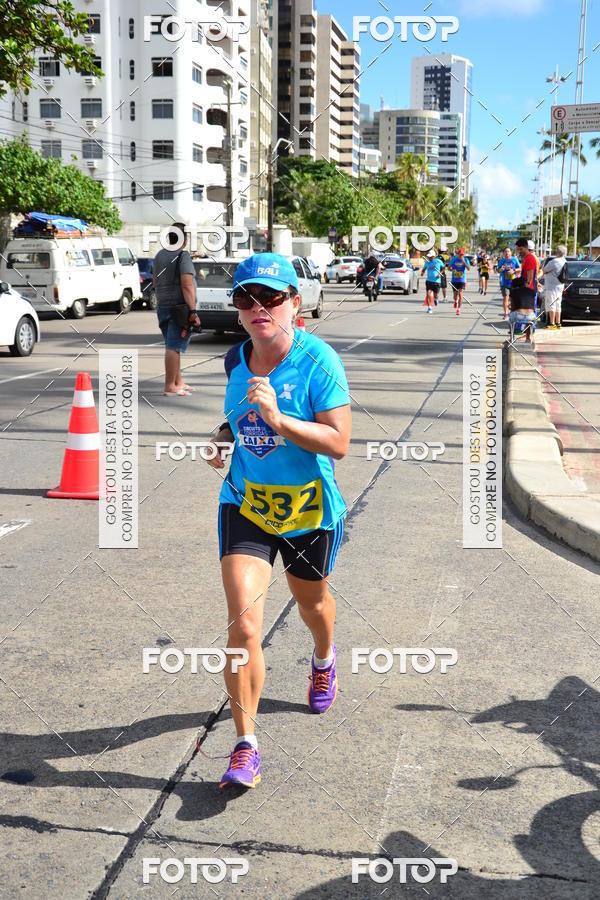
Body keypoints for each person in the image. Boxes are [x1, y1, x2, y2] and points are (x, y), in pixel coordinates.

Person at [206, 252, 352, 790]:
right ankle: (246, 745)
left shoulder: (319, 362)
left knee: (312, 605)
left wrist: (278, 420)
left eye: (271, 298)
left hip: (309, 508)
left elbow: (339, 442)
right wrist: (223, 439)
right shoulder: (234, 358)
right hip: (246, 503)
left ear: (295, 303)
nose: (259, 308)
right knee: (244, 624)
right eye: (247, 298)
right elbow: (235, 417)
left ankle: (324, 657)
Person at [153, 223, 200, 397]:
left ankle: (178, 382)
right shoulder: (182, 255)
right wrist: (193, 311)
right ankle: (170, 386)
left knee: (173, 345)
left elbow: (155, 282)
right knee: (173, 347)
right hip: (179, 308)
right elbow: (187, 284)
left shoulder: (159, 255)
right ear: (184, 239)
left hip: (163, 305)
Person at [510, 238, 538, 343]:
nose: (519, 251)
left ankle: (528, 337)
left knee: (528, 313)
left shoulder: (530, 258)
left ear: (526, 247)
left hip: (528, 291)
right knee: (525, 315)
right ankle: (526, 337)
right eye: (518, 249)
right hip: (525, 290)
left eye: (521, 249)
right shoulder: (526, 258)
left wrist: (523, 290)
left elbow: (529, 278)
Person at [541, 245, 567, 330]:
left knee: (551, 304)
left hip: (552, 287)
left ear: (557, 252)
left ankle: (552, 323)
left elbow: (544, 270)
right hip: (560, 286)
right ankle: (558, 323)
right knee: (558, 305)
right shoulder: (564, 261)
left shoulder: (554, 261)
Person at [497, 247, 521, 321]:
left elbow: (520, 268)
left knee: (513, 300)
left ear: (511, 252)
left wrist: (514, 270)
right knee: (505, 298)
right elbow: (498, 270)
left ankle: (512, 312)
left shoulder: (514, 259)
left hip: (514, 283)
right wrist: (501, 269)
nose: (507, 253)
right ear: (504, 253)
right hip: (504, 283)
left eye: (508, 251)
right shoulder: (501, 261)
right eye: (505, 251)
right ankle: (506, 314)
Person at [447, 247, 471, 315]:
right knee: (455, 296)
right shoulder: (454, 259)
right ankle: (456, 301)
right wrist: (452, 270)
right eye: (460, 255)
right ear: (458, 254)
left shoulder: (466, 259)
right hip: (454, 280)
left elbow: (469, 268)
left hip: (462, 280)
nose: (461, 256)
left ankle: (458, 309)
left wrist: (464, 262)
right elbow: (448, 268)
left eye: (462, 254)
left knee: (460, 294)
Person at [422, 248, 444, 314]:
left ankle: (436, 299)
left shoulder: (438, 261)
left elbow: (443, 268)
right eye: (428, 257)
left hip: (437, 281)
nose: (429, 258)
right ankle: (429, 308)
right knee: (428, 293)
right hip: (429, 280)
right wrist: (422, 272)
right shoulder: (427, 262)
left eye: (430, 257)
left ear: (434, 256)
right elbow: (424, 268)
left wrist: (440, 273)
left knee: (436, 295)